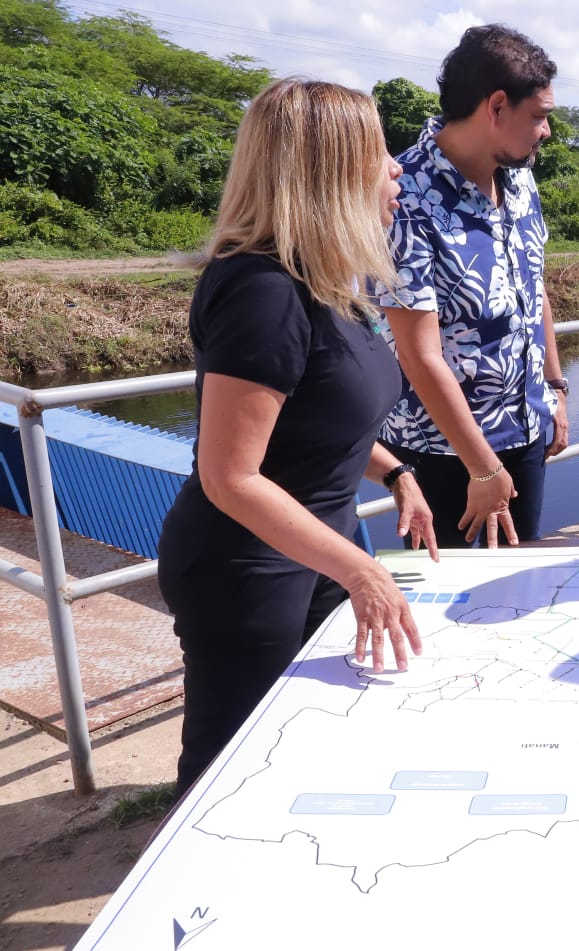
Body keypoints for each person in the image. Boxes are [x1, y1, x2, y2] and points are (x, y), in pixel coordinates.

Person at [157, 78, 438, 797]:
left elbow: (320, 417)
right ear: (333, 172)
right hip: (247, 574)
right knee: (229, 769)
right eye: (381, 153)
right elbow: (231, 475)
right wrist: (364, 572)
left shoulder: (326, 281)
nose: (398, 168)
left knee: (309, 742)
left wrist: (397, 473)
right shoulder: (264, 291)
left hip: (319, 554)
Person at [377, 24, 569, 550]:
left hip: (525, 428)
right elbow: (419, 355)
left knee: (520, 586)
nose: (545, 131)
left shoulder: (520, 178)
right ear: (496, 106)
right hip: (443, 451)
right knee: (448, 608)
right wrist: (481, 468)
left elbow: (535, 286)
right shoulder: (404, 195)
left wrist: (554, 389)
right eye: (538, 116)